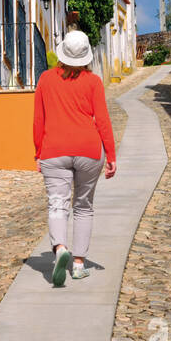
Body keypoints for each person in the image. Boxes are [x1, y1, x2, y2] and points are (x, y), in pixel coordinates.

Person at [32, 29, 117, 287]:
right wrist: (111, 155)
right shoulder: (94, 82)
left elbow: (38, 120)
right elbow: (103, 120)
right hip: (89, 150)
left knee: (57, 203)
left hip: (54, 150)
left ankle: (60, 248)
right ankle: (79, 265)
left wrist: (38, 151)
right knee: (83, 206)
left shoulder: (46, 79)